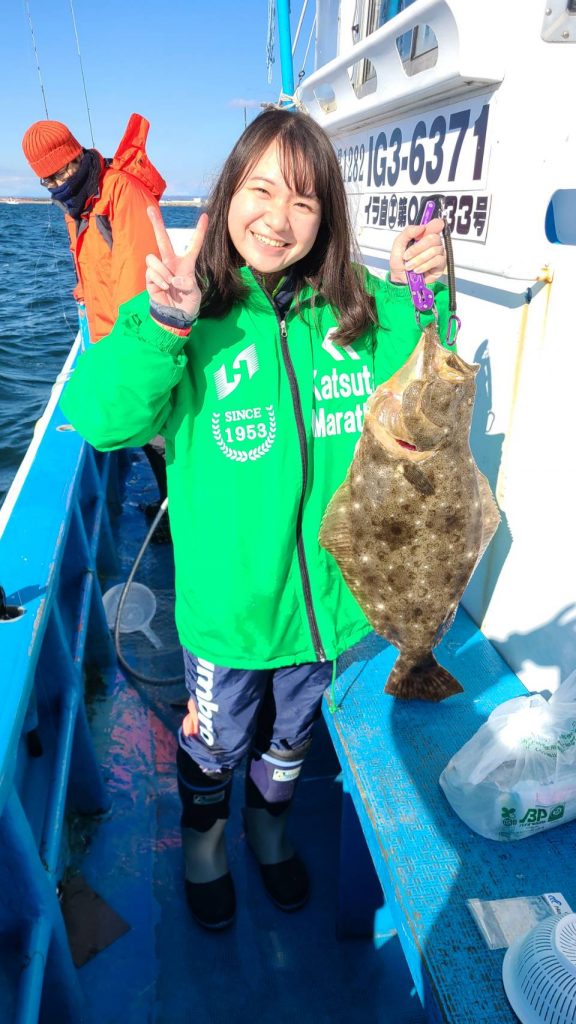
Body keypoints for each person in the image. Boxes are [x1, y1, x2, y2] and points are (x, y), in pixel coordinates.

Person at [60, 108, 448, 931]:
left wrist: (423, 289)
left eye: (304, 201)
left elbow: (426, 372)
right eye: (261, 190)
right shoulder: (187, 313)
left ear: (326, 217)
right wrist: (164, 325)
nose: (278, 217)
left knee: (291, 738)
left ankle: (269, 830)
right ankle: (204, 846)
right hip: (230, 619)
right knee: (217, 743)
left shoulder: (355, 311)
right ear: (229, 191)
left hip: (327, 614)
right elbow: (101, 418)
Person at [22, 114, 169, 506]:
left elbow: (138, 285)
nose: (57, 184)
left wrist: (124, 354)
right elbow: (96, 263)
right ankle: (167, 501)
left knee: (157, 430)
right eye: (48, 180)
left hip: (135, 341)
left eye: (62, 172)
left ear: (77, 156)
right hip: (107, 339)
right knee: (146, 433)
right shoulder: (79, 204)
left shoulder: (121, 192)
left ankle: (176, 512)